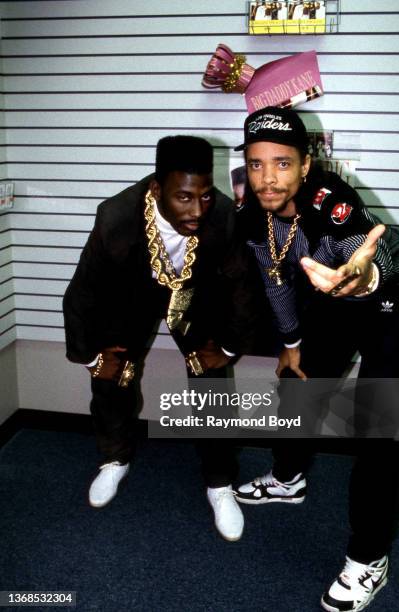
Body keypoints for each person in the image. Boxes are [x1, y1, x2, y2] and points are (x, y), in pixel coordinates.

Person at [232, 106, 399, 611]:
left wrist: (362, 275)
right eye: (257, 163)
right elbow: (275, 281)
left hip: (389, 304)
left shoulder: (332, 200)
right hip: (336, 306)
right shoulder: (252, 216)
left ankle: (370, 557)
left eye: (282, 164)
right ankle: (289, 477)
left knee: (377, 430)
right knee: (299, 385)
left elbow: (378, 259)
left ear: (306, 165)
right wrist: (290, 343)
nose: (268, 177)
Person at [63, 135, 261, 542]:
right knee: (112, 372)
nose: (197, 209)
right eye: (184, 197)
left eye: (205, 196)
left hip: (194, 294)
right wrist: (90, 358)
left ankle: (219, 481)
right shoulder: (116, 217)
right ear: (156, 189)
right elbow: (82, 291)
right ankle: (114, 458)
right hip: (132, 291)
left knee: (210, 379)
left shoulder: (222, 215)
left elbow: (242, 287)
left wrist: (226, 347)